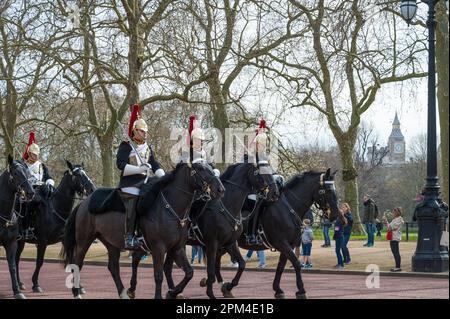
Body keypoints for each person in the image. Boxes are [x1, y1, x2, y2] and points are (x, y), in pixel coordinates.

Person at [116, 104, 165, 250]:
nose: (145, 134)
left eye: (146, 131)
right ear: (135, 131)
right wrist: (139, 169)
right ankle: (129, 236)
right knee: (135, 196)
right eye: (142, 131)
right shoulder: (126, 145)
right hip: (129, 183)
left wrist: (163, 177)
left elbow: (154, 164)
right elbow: (120, 164)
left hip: (144, 181)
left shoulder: (147, 147)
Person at [20, 132, 56, 239]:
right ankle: (27, 228)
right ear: (29, 154)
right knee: (29, 204)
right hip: (28, 190)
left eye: (37, 154)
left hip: (42, 189)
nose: (35, 156)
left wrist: (50, 182)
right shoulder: (23, 166)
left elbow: (48, 177)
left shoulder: (42, 165)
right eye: (33, 154)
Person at [383, 207, 405, 272]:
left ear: (397, 212)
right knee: (394, 252)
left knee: (396, 252)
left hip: (395, 237)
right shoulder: (394, 219)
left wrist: (388, 225)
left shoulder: (400, 220)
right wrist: (386, 221)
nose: (393, 213)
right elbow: (389, 227)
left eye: (393, 212)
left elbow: (392, 228)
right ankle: (397, 266)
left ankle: (398, 267)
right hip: (393, 237)